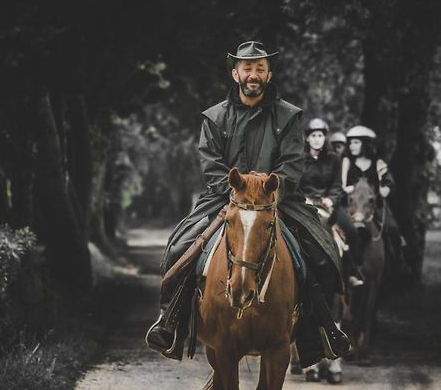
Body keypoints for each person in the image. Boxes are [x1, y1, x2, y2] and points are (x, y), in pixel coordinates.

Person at [145, 41, 351, 365]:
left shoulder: (289, 115)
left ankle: (321, 330)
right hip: (224, 199)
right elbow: (210, 163)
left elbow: (293, 162)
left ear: (269, 75)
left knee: (322, 254)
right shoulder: (214, 117)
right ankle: (170, 323)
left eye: (260, 69)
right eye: (247, 68)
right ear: (235, 73)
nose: (253, 74)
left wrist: (271, 190)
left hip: (277, 200)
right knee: (179, 247)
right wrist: (234, 193)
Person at [300, 119, 364, 287]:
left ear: (324, 137)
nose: (317, 139)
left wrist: (331, 199)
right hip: (304, 204)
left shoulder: (334, 159)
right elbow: (294, 184)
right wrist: (304, 198)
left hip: (329, 205)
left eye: (320, 135)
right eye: (313, 135)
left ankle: (351, 272)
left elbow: (337, 185)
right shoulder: (298, 159)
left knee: (351, 231)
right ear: (307, 138)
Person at [343, 125, 407, 280]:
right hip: (352, 206)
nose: (352, 146)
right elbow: (342, 184)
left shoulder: (378, 164)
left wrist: (385, 188)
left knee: (393, 229)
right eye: (350, 143)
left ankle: (398, 264)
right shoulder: (347, 164)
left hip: (375, 206)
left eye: (356, 142)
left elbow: (388, 181)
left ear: (365, 144)